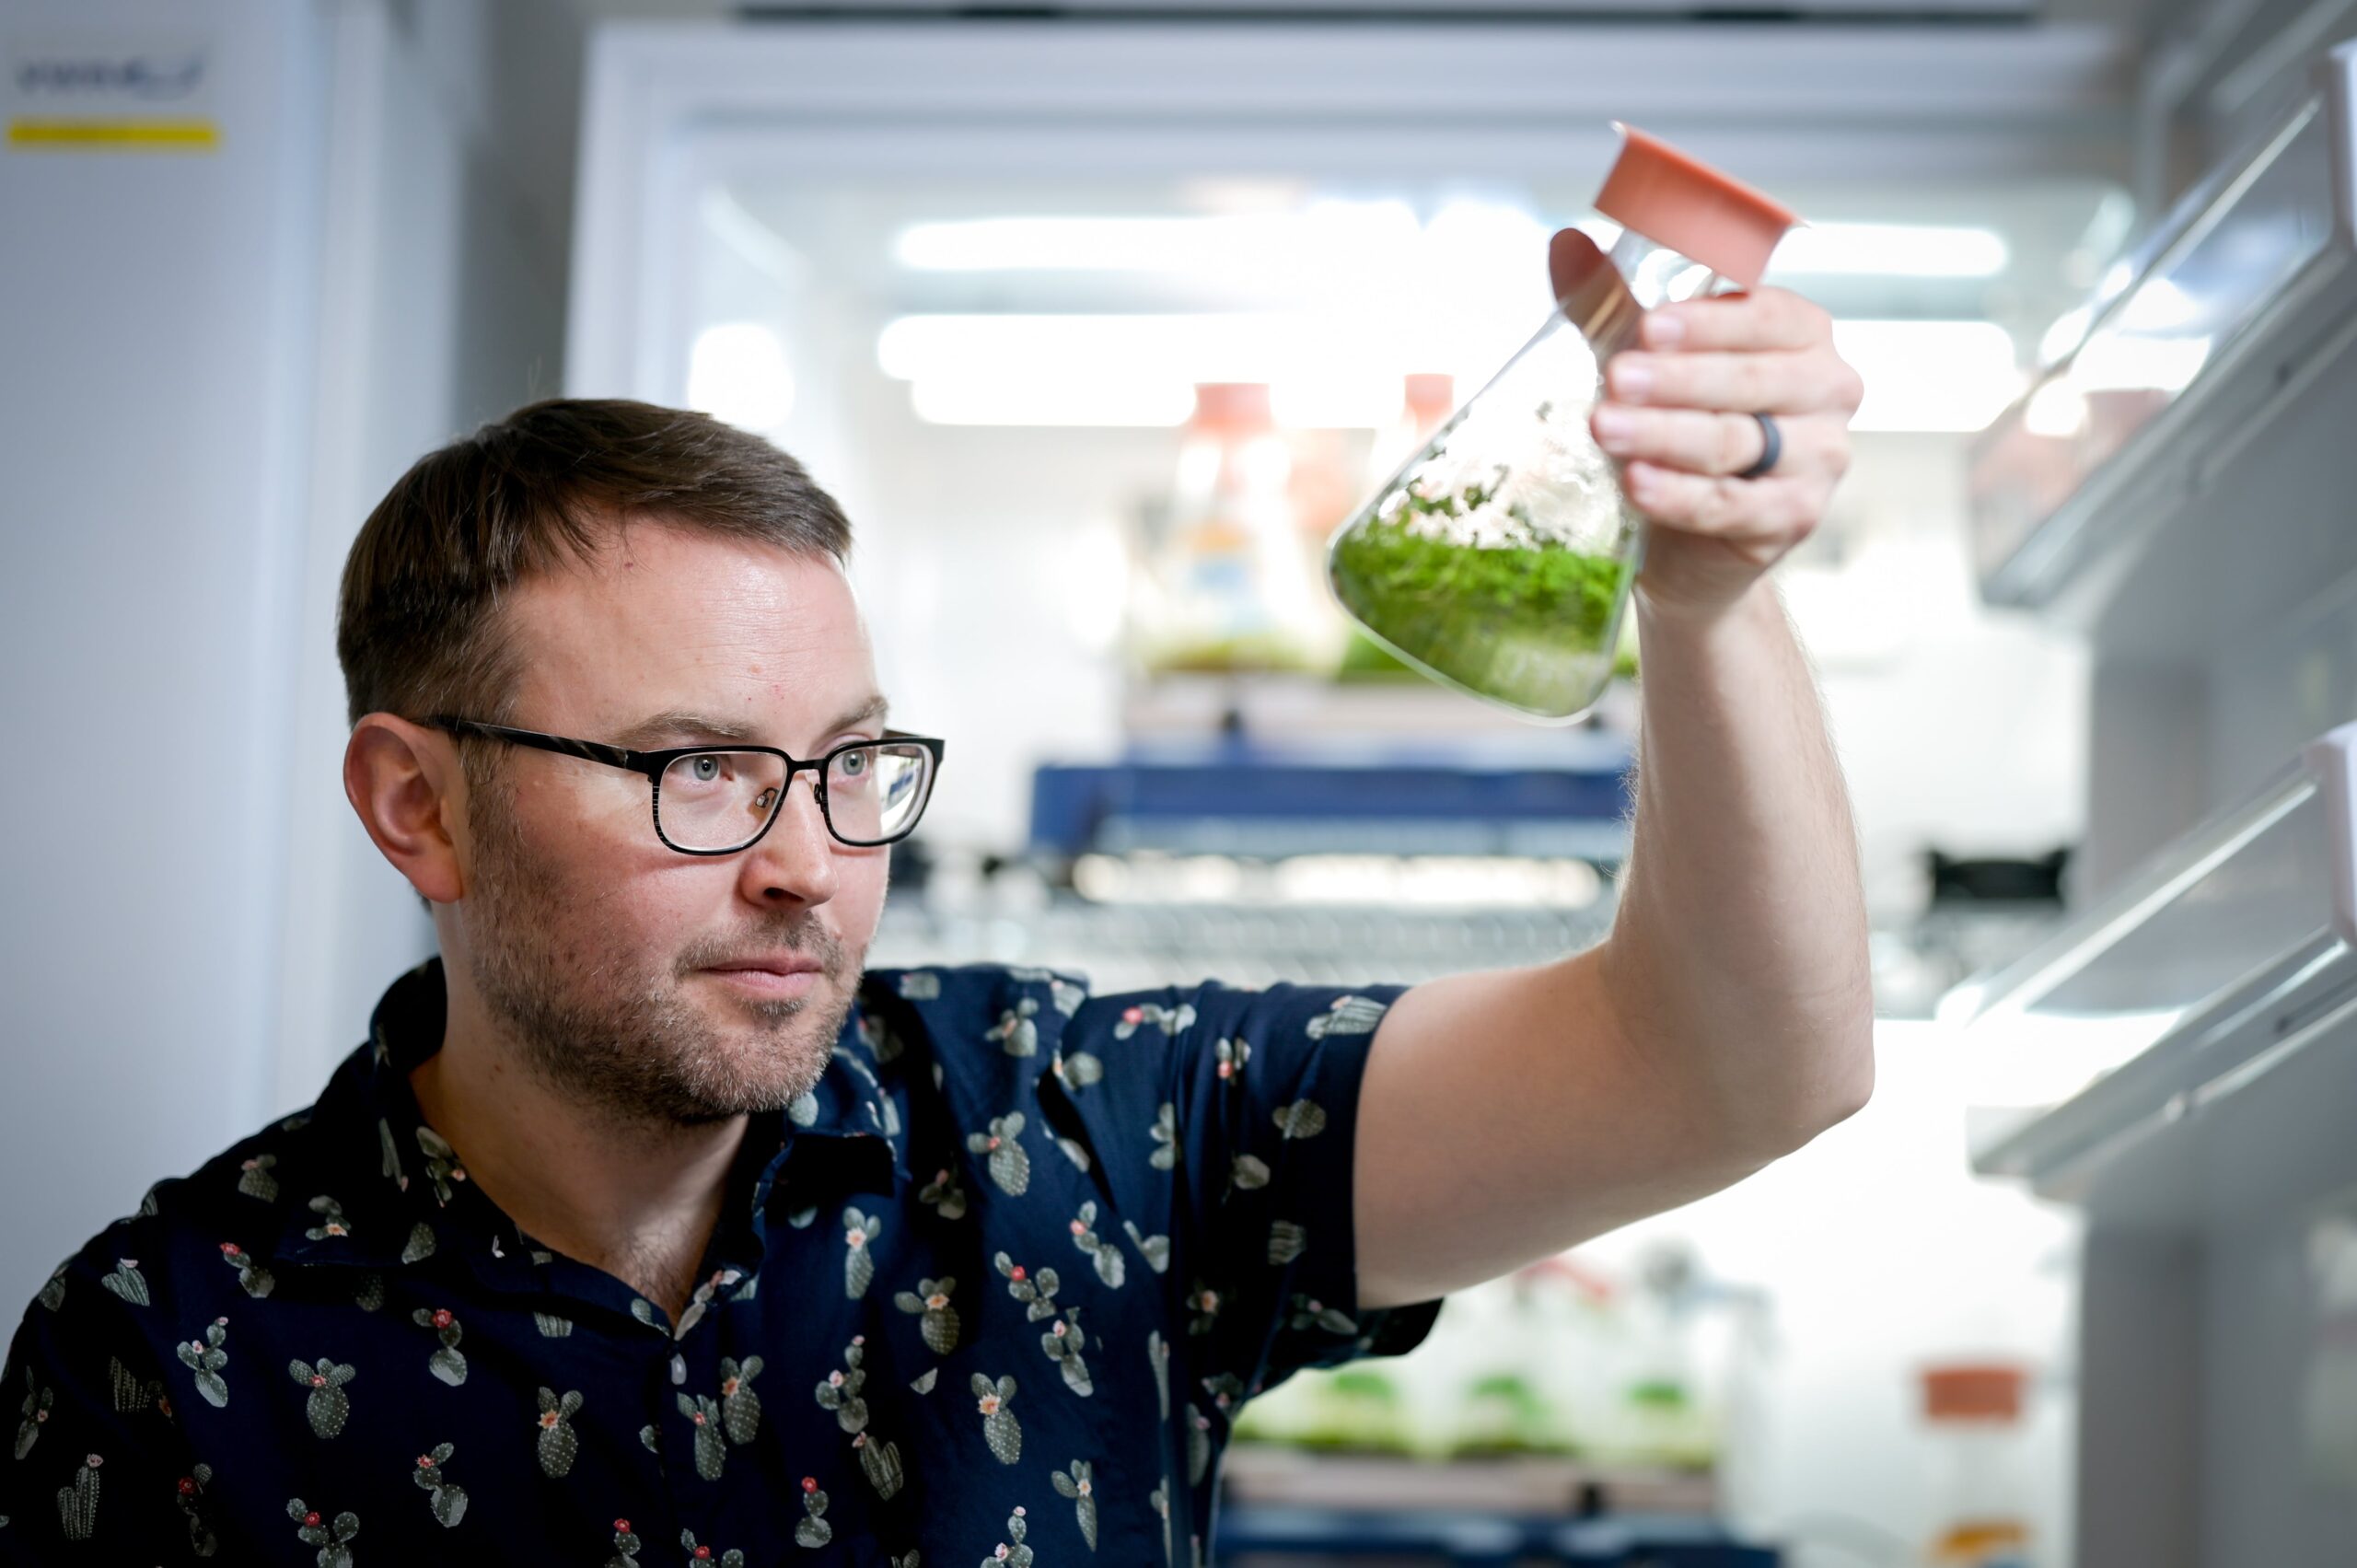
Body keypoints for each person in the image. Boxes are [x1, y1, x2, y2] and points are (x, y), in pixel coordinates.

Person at [0, 271, 1870, 1563]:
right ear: (423, 808)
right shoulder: (172, 1352)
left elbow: (1726, 1067)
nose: (809, 861)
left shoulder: (1083, 1131)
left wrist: (1703, 590)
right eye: (699, 772)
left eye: (849, 764)